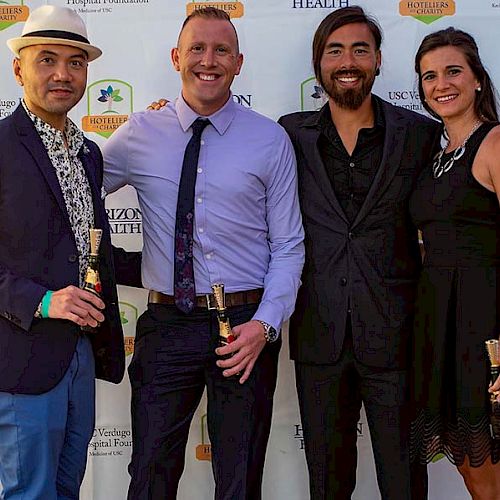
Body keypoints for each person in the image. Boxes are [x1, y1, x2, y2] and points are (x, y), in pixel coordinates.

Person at [102, 7, 304, 499]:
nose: (207, 60)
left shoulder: (269, 139)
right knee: (149, 474)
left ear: (238, 62)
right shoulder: (138, 133)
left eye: (220, 50)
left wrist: (266, 324)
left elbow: (289, 245)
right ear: (177, 57)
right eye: (197, 48)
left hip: (246, 326)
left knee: (238, 480)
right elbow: (74, 196)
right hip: (167, 324)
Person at [278, 6, 440, 499]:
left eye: (360, 49)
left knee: (404, 481)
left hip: (397, 337)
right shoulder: (288, 134)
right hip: (318, 334)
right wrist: (168, 119)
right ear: (318, 63)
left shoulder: (420, 134)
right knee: (327, 483)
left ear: (377, 60)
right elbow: (229, 153)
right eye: (335, 50)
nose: (348, 61)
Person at [0, 5, 125, 499]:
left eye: (75, 62)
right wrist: (44, 300)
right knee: (31, 493)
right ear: (18, 68)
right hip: (24, 352)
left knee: (67, 487)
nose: (62, 74)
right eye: (46, 59)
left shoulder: (88, 153)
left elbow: (85, 247)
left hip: (79, 352)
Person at [409, 27, 500, 499]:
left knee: (486, 461)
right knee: (467, 460)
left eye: (452, 71)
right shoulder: (437, 153)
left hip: (485, 322)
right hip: (441, 320)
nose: (440, 84)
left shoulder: (495, 143)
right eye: (429, 76)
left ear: (478, 79)